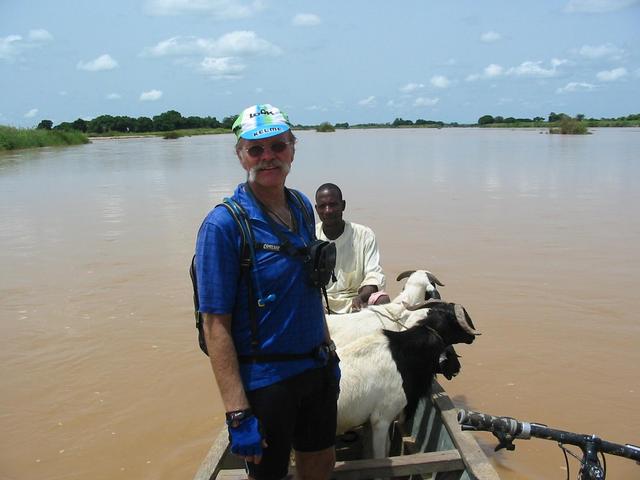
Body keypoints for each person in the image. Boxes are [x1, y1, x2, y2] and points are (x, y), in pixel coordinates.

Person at [195, 104, 339, 480]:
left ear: (293, 149)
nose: (268, 157)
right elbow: (215, 325)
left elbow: (308, 288)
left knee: (321, 462)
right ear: (240, 156)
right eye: (255, 150)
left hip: (317, 367)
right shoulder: (223, 225)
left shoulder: (302, 206)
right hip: (267, 381)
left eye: (278, 146)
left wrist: (331, 355)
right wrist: (237, 411)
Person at [315, 183, 389, 313]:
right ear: (316, 209)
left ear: (343, 205)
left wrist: (361, 297)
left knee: (382, 300)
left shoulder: (364, 235)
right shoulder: (310, 236)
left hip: (356, 301)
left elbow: (374, 274)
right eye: (322, 206)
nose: (328, 210)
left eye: (333, 205)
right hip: (321, 301)